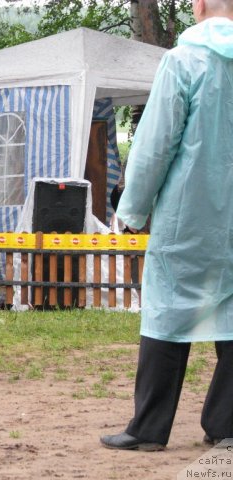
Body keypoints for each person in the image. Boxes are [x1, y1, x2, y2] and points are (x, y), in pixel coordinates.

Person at [100, 0, 233, 451]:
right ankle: (226, 425)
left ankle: (149, 429)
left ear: (197, 7)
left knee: (167, 311)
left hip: (189, 216)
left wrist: (131, 210)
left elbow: (156, 143)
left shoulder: (183, 61)